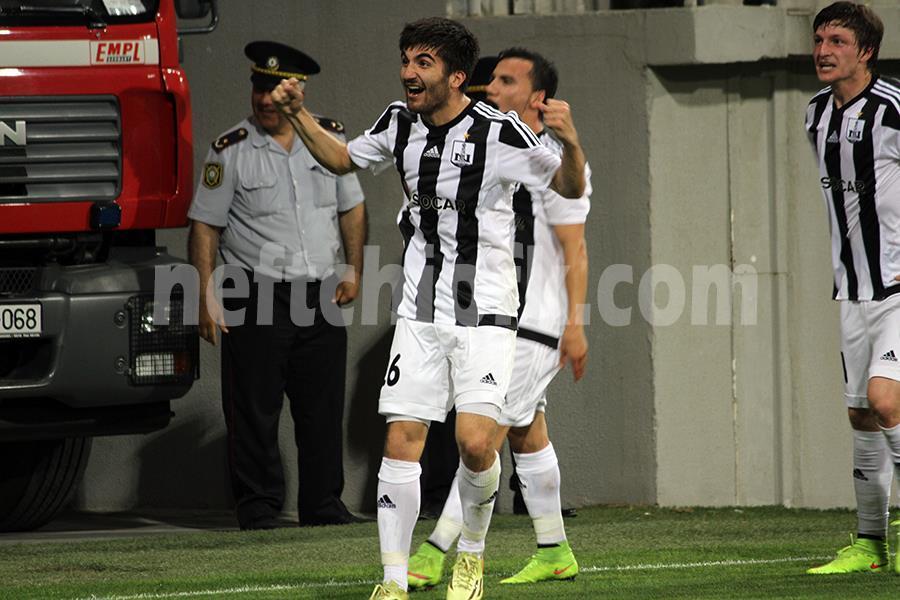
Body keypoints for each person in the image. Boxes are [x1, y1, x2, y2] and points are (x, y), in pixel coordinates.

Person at [271, 17, 586, 600]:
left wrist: (569, 143)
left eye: (423, 63)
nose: (408, 73)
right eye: (406, 60)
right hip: (419, 313)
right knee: (402, 440)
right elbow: (341, 159)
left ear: (456, 76)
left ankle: (471, 556)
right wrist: (297, 114)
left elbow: (567, 187)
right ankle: (392, 582)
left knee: (476, 444)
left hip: (487, 313)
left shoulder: (499, 132)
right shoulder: (398, 122)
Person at [406, 47, 590, 589]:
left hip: (534, 324)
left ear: (539, 98)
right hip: (497, 316)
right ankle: (554, 550)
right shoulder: (491, 145)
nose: (491, 87)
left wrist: (575, 324)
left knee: (480, 440)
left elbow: (574, 247)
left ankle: (437, 549)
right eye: (492, 79)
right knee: (527, 433)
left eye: (507, 81)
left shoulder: (553, 160)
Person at [187, 40, 367, 530]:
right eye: (258, 88)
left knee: (322, 407)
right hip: (255, 292)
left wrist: (354, 268)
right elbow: (205, 226)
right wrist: (205, 296)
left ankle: (323, 505)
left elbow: (352, 207)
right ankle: (259, 506)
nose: (264, 99)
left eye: (274, 89)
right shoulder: (230, 149)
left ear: (298, 91)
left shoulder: (329, 139)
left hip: (319, 292)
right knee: (253, 409)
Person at [803, 3, 900, 574]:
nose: (823, 50)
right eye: (819, 39)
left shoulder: (892, 108)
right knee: (862, 414)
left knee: (886, 400)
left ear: (866, 51)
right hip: (852, 290)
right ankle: (869, 544)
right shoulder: (816, 112)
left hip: (897, 286)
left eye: (837, 40)